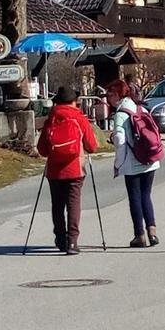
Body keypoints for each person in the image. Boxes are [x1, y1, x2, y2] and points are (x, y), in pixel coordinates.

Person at [37, 86, 97, 255]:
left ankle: (60, 239)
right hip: (75, 169)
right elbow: (92, 146)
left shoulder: (51, 118)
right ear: (73, 101)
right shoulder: (79, 118)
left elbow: (42, 149)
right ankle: (72, 241)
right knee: (73, 204)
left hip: (54, 171)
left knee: (57, 205)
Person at [106, 79, 160, 248]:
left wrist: (118, 164)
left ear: (116, 95)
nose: (107, 99)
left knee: (135, 197)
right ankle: (152, 231)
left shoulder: (121, 114)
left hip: (132, 162)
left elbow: (121, 142)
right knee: (146, 195)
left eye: (109, 95)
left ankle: (139, 235)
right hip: (150, 160)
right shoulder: (141, 108)